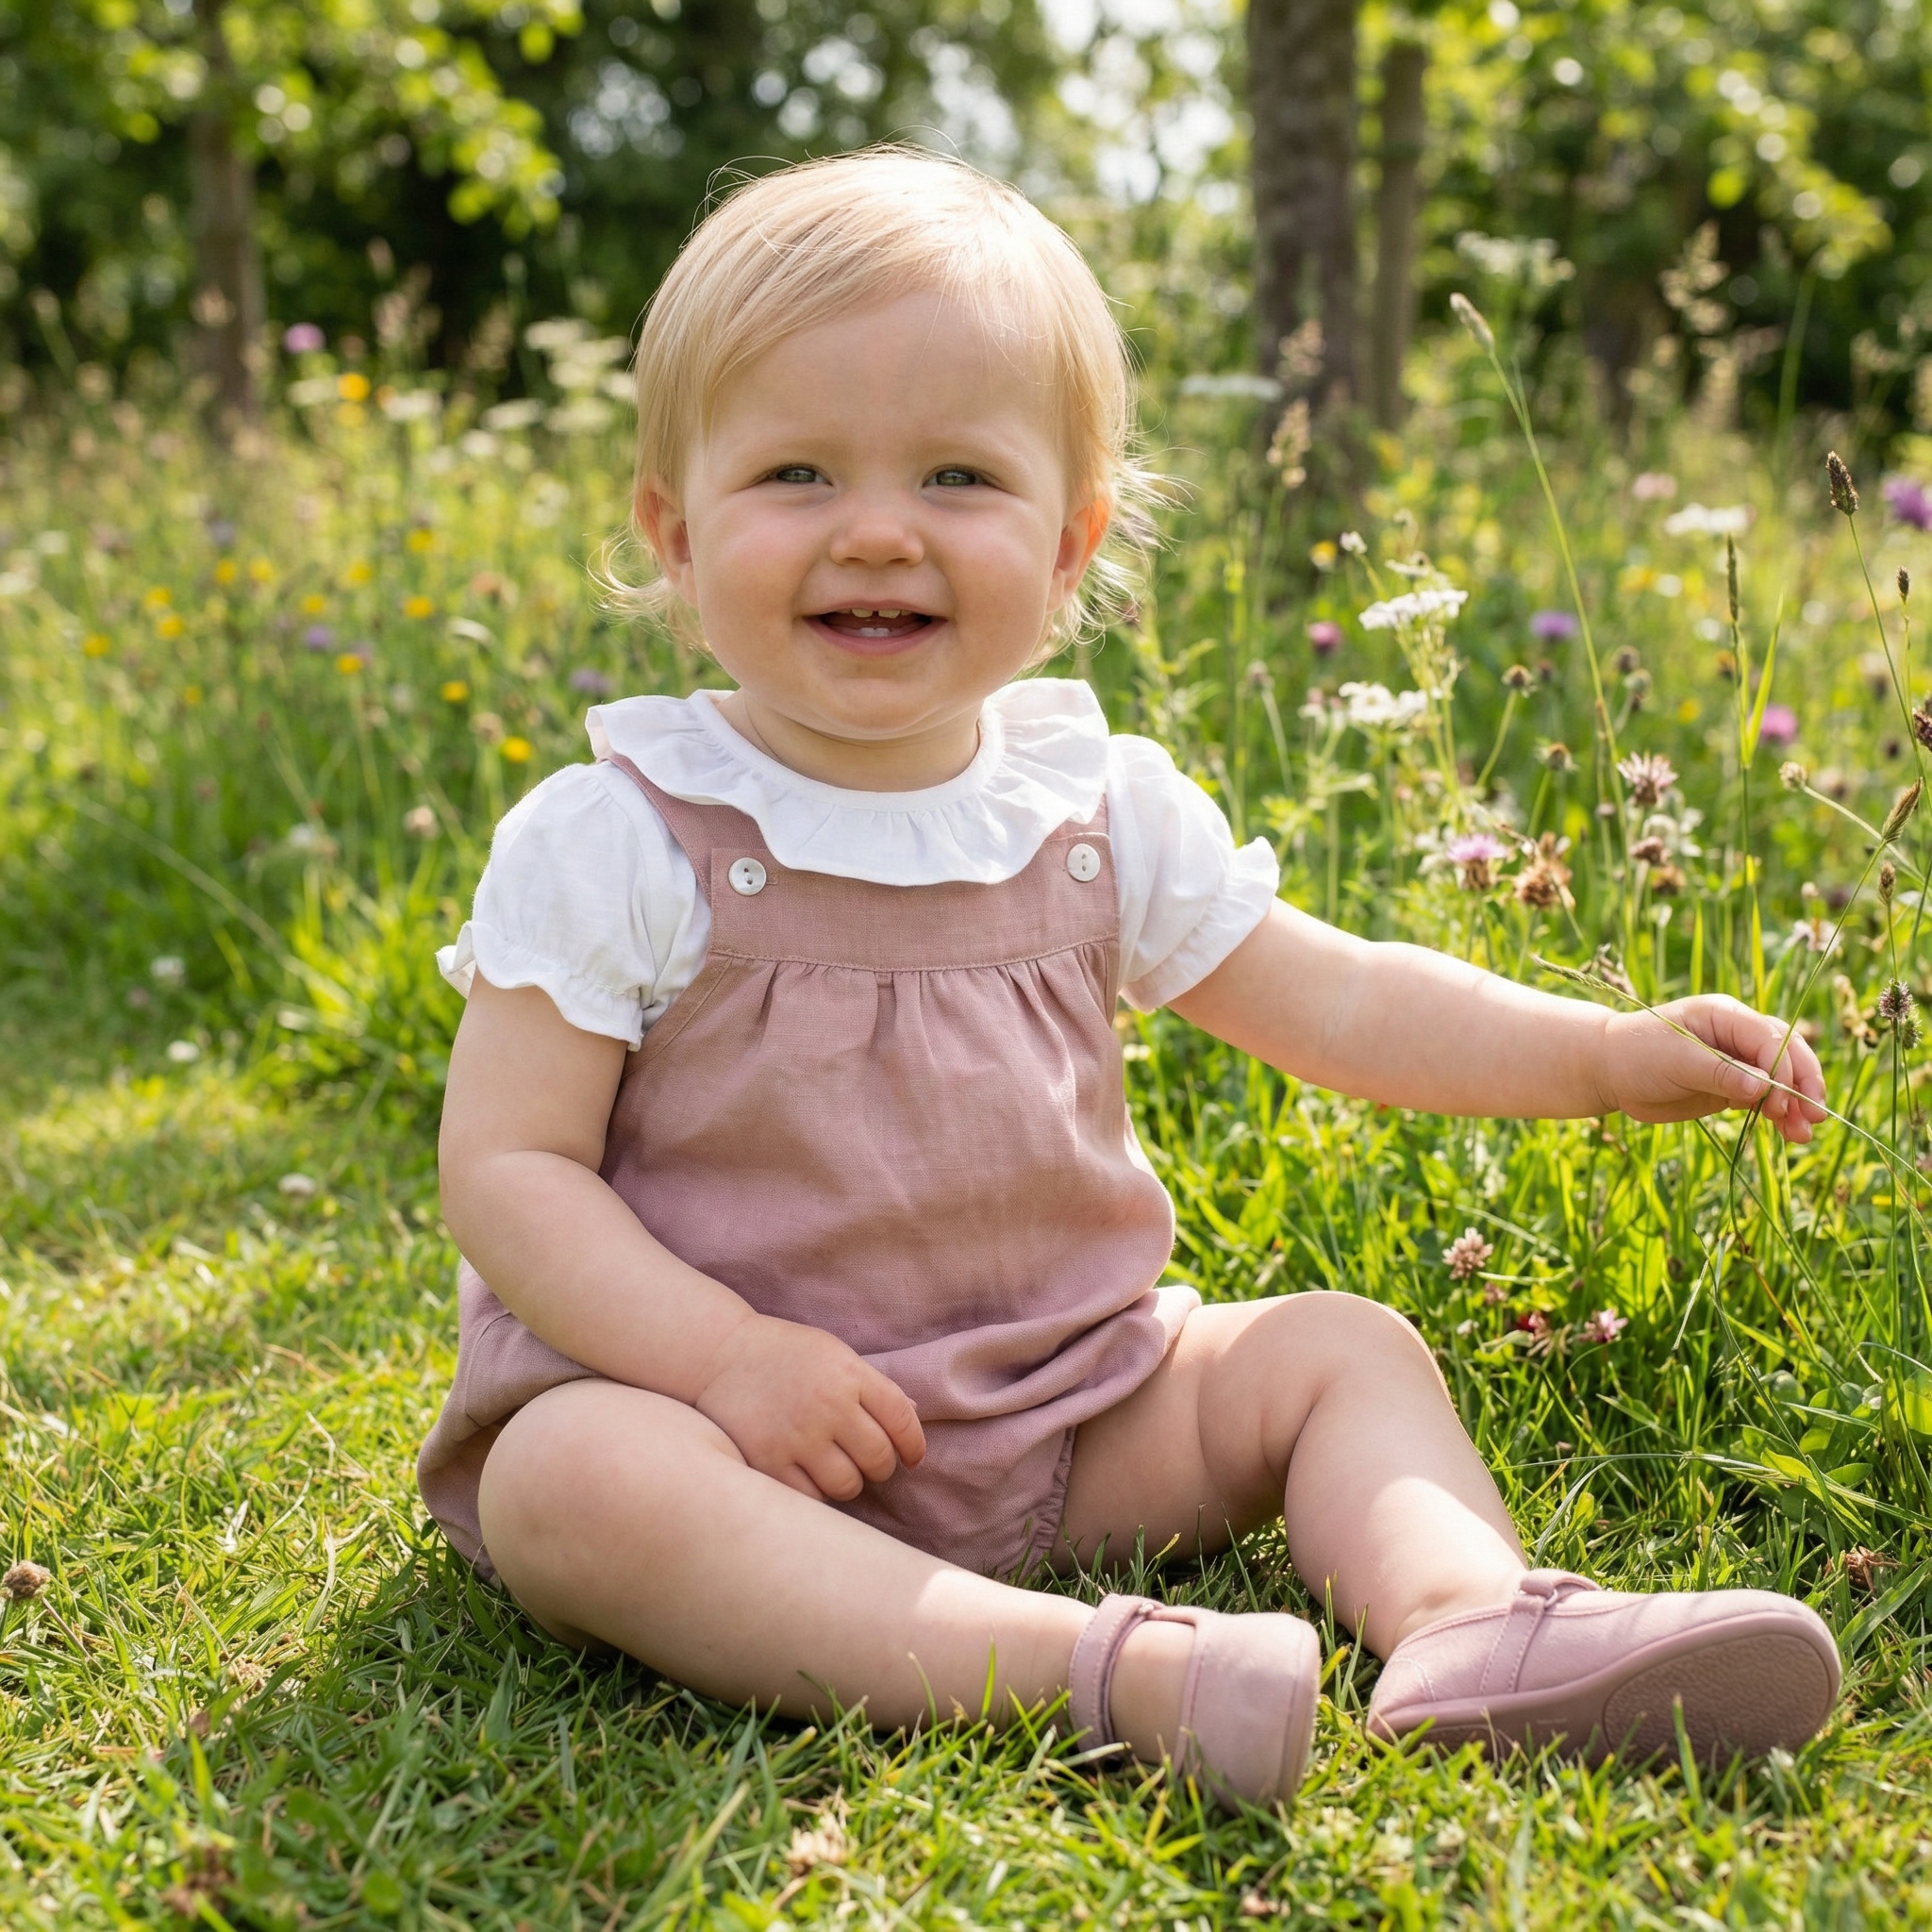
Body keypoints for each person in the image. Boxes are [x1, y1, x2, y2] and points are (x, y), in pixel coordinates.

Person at [417, 148, 1840, 1808]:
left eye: (959, 477)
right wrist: (730, 1360)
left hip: (1068, 1413)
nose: (877, 530)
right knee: (571, 1484)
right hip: (715, 1429)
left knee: (1339, 1347)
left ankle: (1471, 1618)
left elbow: (1346, 1000)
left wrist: (1602, 1051)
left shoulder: (1092, 816)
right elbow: (507, 1170)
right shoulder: (620, 836)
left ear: (1075, 540)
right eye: (795, 473)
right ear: (672, 528)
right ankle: (1104, 1673)